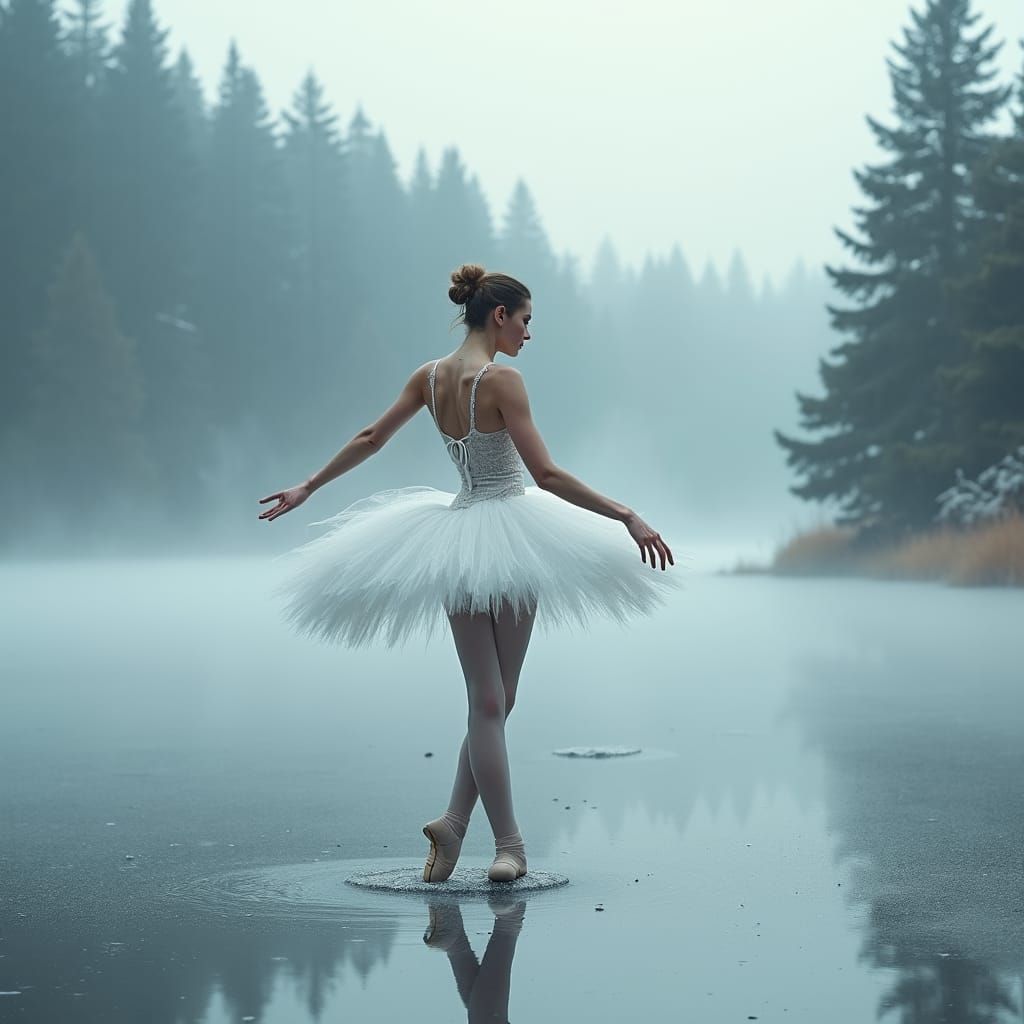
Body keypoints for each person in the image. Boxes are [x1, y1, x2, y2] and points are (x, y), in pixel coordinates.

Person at [258, 263, 681, 884]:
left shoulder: (429, 378)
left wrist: (309, 486)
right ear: (500, 316)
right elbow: (547, 476)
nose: (529, 336)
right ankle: (509, 847)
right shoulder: (503, 381)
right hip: (510, 537)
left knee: (491, 700)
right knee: (496, 699)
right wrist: (627, 514)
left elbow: (373, 436)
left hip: (457, 538)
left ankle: (454, 825)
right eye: (527, 321)